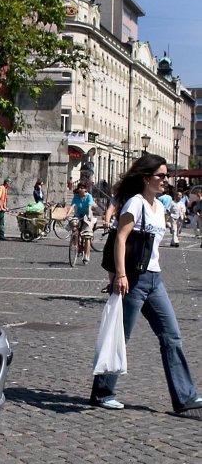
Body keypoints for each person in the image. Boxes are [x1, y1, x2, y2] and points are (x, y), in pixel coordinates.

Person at [90, 154, 202, 416]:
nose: (165, 180)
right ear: (146, 178)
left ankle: (185, 398)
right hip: (134, 280)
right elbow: (120, 239)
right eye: (160, 176)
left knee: (171, 335)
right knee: (121, 336)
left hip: (155, 279)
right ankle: (102, 393)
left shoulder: (160, 207)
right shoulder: (135, 203)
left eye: (166, 176)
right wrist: (119, 275)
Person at [66, 182, 95, 264]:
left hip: (87, 216)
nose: (80, 189)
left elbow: (89, 208)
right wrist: (67, 215)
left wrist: (89, 216)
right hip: (78, 215)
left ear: (85, 189)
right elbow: (72, 206)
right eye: (79, 188)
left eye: (82, 188)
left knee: (87, 235)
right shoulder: (76, 196)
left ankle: (86, 255)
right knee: (73, 224)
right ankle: (75, 242)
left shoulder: (89, 197)